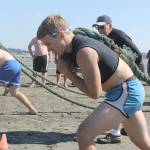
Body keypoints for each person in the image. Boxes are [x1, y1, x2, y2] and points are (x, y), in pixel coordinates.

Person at [37, 15, 150, 150]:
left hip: (126, 91)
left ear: (61, 35)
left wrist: (67, 73)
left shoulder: (84, 52)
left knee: (84, 134)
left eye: (48, 44)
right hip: (127, 91)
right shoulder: (72, 48)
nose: (48, 49)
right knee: (143, 143)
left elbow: (94, 93)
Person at [92, 15, 145, 143]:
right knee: (130, 102)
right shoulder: (105, 38)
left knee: (119, 99)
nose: (99, 30)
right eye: (97, 27)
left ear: (110, 26)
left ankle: (115, 134)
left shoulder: (118, 35)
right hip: (124, 72)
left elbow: (137, 54)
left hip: (130, 71)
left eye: (102, 27)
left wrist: (127, 68)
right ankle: (128, 127)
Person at [0, 49, 38, 114]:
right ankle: (32, 109)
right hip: (16, 66)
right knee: (14, 92)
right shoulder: (2, 51)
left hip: (9, 65)